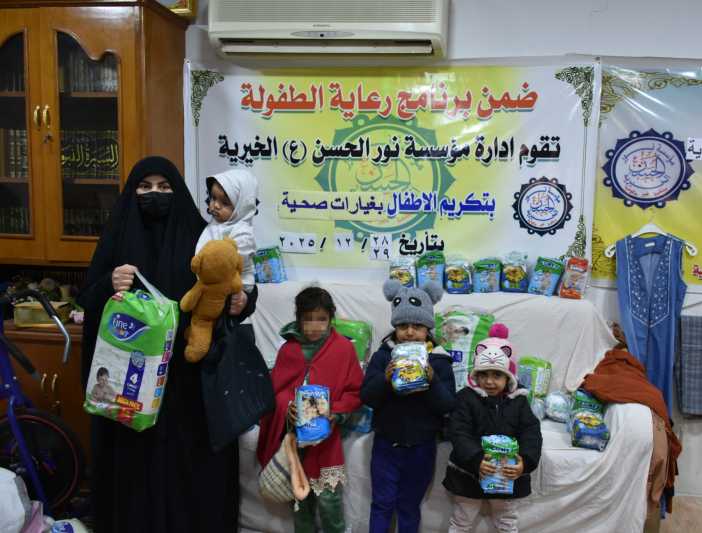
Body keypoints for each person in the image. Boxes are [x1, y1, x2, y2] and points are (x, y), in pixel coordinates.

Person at [78, 156, 257, 533]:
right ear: (132, 193)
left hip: (186, 383)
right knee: (135, 471)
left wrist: (244, 300)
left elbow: (228, 284)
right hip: (132, 388)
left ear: (178, 192)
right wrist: (110, 282)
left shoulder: (202, 236)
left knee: (188, 469)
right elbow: (89, 300)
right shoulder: (117, 238)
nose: (154, 194)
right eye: (145, 187)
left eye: (164, 187)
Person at [257, 286, 363, 533]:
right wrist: (288, 408)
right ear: (298, 318)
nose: (315, 326)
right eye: (308, 319)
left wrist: (335, 411)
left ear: (331, 318)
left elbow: (355, 391)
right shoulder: (289, 350)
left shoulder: (343, 348)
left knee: (330, 503)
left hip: (327, 441)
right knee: (300, 503)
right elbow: (276, 392)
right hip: (294, 441)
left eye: (321, 319)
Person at [360, 280, 457, 533]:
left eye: (418, 326)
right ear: (395, 327)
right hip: (386, 444)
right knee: (381, 503)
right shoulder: (383, 355)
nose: (410, 332)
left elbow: (448, 405)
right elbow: (367, 397)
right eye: (403, 326)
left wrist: (432, 379)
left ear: (428, 329)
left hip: (421, 447)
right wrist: (385, 378)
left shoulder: (440, 360)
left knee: (409, 506)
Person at [443, 326, 542, 533]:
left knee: (507, 522)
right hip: (469, 474)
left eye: (497, 375)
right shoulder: (465, 398)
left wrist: (525, 461)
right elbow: (459, 432)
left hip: (506, 474)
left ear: (508, 378)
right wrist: (476, 459)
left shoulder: (519, 401)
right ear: (475, 375)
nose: (489, 381)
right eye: (483, 374)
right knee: (462, 521)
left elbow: (531, 432)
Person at [197, 169, 258, 292]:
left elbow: (232, 263)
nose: (215, 205)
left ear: (241, 206)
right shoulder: (217, 223)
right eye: (213, 198)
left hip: (237, 286)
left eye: (225, 203)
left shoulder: (243, 233)